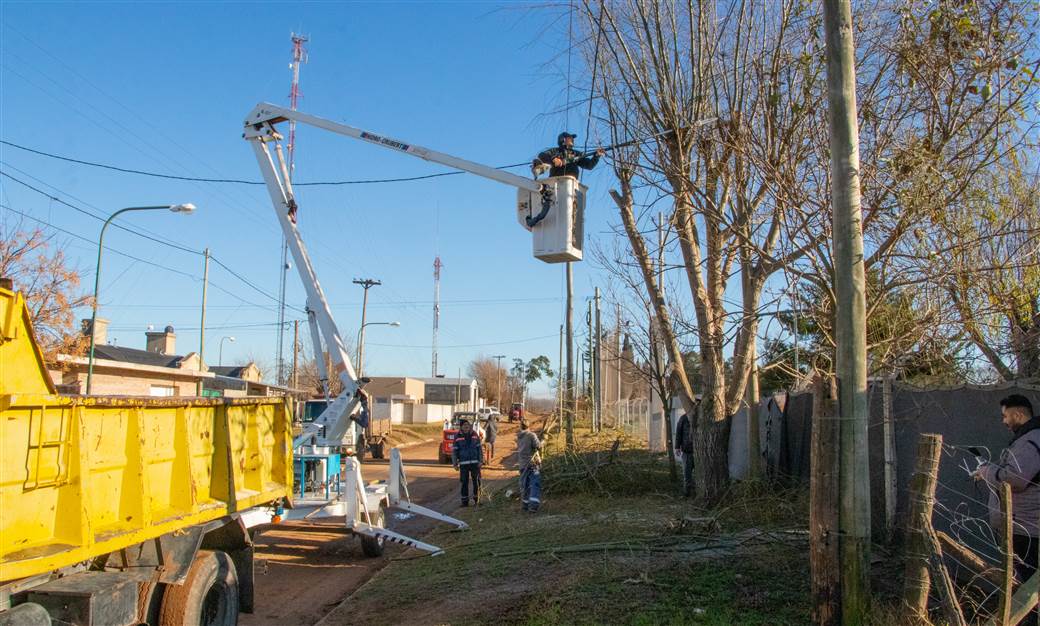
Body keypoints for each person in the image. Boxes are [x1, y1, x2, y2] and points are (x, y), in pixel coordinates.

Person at [974, 394, 1039, 587]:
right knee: (1027, 580)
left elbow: (1015, 479)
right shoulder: (1027, 439)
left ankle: (1031, 617)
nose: (1004, 421)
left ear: (1018, 414)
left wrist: (986, 470)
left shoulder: (1030, 441)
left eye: (1005, 416)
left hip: (1028, 526)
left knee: (1029, 583)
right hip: (1025, 524)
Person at [532, 132, 605, 179]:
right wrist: (554, 159)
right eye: (569, 138)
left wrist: (597, 156)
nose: (572, 140)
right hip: (555, 182)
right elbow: (542, 155)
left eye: (572, 138)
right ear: (562, 140)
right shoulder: (554, 151)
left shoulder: (576, 154)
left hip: (571, 184)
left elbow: (589, 165)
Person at [451, 419, 483, 507]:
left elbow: (479, 449)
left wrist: (480, 461)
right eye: (464, 425)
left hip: (475, 463)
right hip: (463, 464)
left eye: (467, 425)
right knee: (464, 482)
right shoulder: (457, 437)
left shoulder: (475, 435)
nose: (466, 426)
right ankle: (465, 502)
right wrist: (455, 463)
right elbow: (454, 451)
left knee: (477, 481)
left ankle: (478, 500)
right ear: (461, 427)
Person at [516, 420, 543, 512]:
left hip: (522, 465)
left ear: (521, 426)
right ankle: (533, 506)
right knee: (535, 484)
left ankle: (525, 505)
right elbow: (538, 446)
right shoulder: (531, 435)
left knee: (526, 485)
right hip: (532, 464)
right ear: (529, 426)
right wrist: (543, 442)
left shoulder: (519, 437)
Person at [674, 412, 695, 497]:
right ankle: (687, 493)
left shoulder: (702, 417)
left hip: (699, 452)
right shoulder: (684, 418)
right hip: (687, 451)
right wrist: (677, 447)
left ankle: (696, 492)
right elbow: (678, 433)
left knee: (700, 474)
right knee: (687, 474)